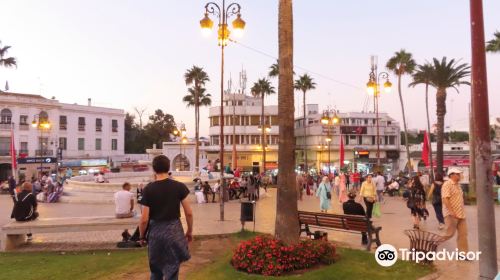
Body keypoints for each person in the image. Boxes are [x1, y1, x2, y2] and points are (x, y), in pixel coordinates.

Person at [138, 155, 192, 280]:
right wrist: (189, 230)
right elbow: (189, 213)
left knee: (156, 270)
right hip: (174, 231)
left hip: (155, 233)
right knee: (173, 270)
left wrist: (141, 236)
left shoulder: (148, 189)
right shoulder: (179, 187)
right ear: (169, 168)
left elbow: (144, 219)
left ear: (154, 169)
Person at [441, 168, 468, 253]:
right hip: (451, 214)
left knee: (463, 234)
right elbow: (445, 199)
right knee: (449, 234)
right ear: (452, 175)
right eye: (458, 174)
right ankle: (432, 244)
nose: (460, 175)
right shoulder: (447, 184)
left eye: (459, 174)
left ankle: (463, 254)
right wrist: (451, 211)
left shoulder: (458, 185)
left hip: (461, 214)